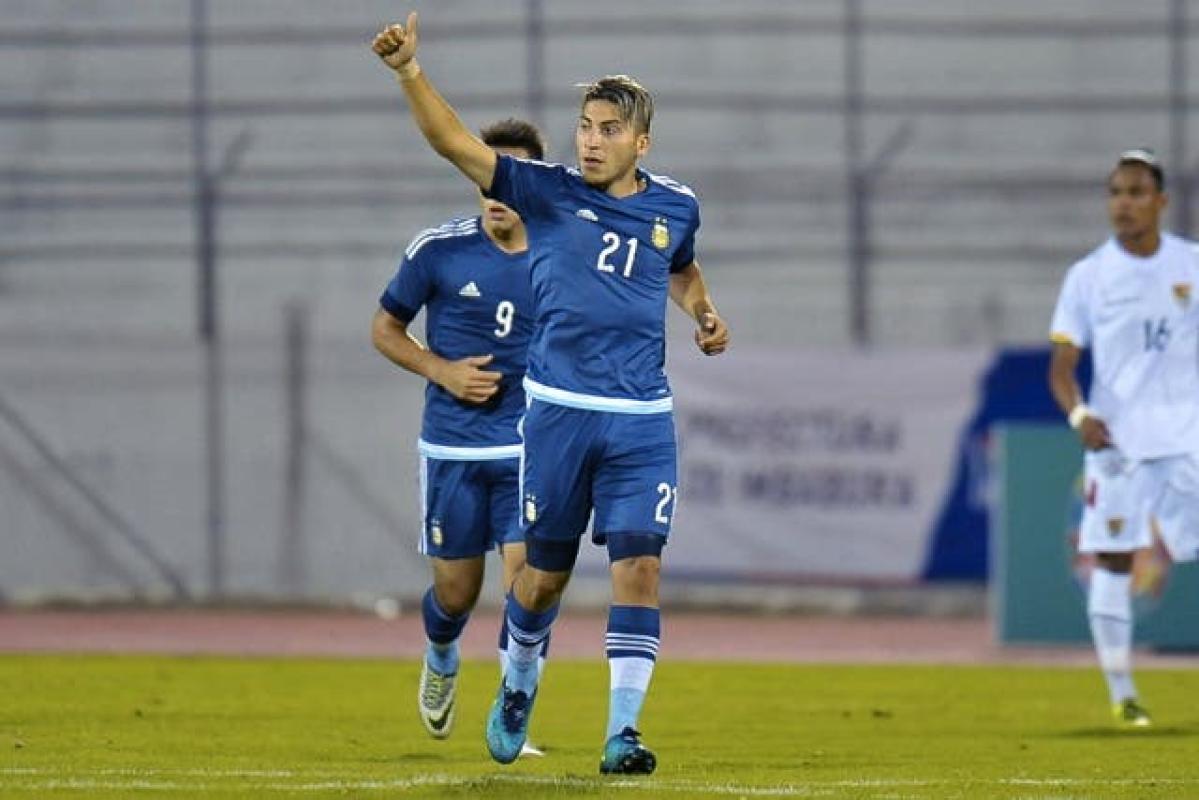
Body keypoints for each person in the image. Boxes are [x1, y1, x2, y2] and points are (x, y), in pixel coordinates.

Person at [372, 13, 729, 774]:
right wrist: (408, 73)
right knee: (540, 581)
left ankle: (622, 733)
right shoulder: (544, 192)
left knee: (641, 566)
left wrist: (702, 312)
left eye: (608, 130)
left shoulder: (676, 206)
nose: (591, 141)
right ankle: (518, 679)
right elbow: (453, 143)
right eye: (585, 126)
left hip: (641, 419)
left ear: (641, 143)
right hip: (558, 419)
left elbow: (682, 267)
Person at [371, 117, 552, 754]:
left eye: (507, 179)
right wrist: (441, 370)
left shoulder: (558, 254)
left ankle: (513, 708)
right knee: (456, 594)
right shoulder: (438, 250)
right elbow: (385, 329)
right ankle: (442, 653)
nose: (493, 192)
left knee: (529, 583)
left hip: (529, 449)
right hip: (453, 448)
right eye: (484, 176)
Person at [1048, 148, 1199, 728]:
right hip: (1118, 447)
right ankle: (1123, 694)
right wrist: (1079, 416)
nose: (1123, 204)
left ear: (1160, 201)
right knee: (1113, 560)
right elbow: (1062, 369)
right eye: (1115, 193)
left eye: (1135, 192)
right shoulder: (1088, 276)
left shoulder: (1190, 264)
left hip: (1187, 440)